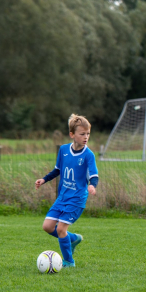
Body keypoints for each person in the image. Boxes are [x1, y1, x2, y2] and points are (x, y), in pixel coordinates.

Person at [35, 114, 99, 268]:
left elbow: (94, 174)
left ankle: (69, 261)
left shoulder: (88, 155)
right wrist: (44, 179)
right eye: (82, 134)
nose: (86, 137)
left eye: (88, 134)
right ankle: (73, 238)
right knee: (48, 227)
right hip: (62, 197)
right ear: (72, 135)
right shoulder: (63, 150)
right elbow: (57, 170)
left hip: (77, 199)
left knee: (61, 229)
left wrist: (92, 185)